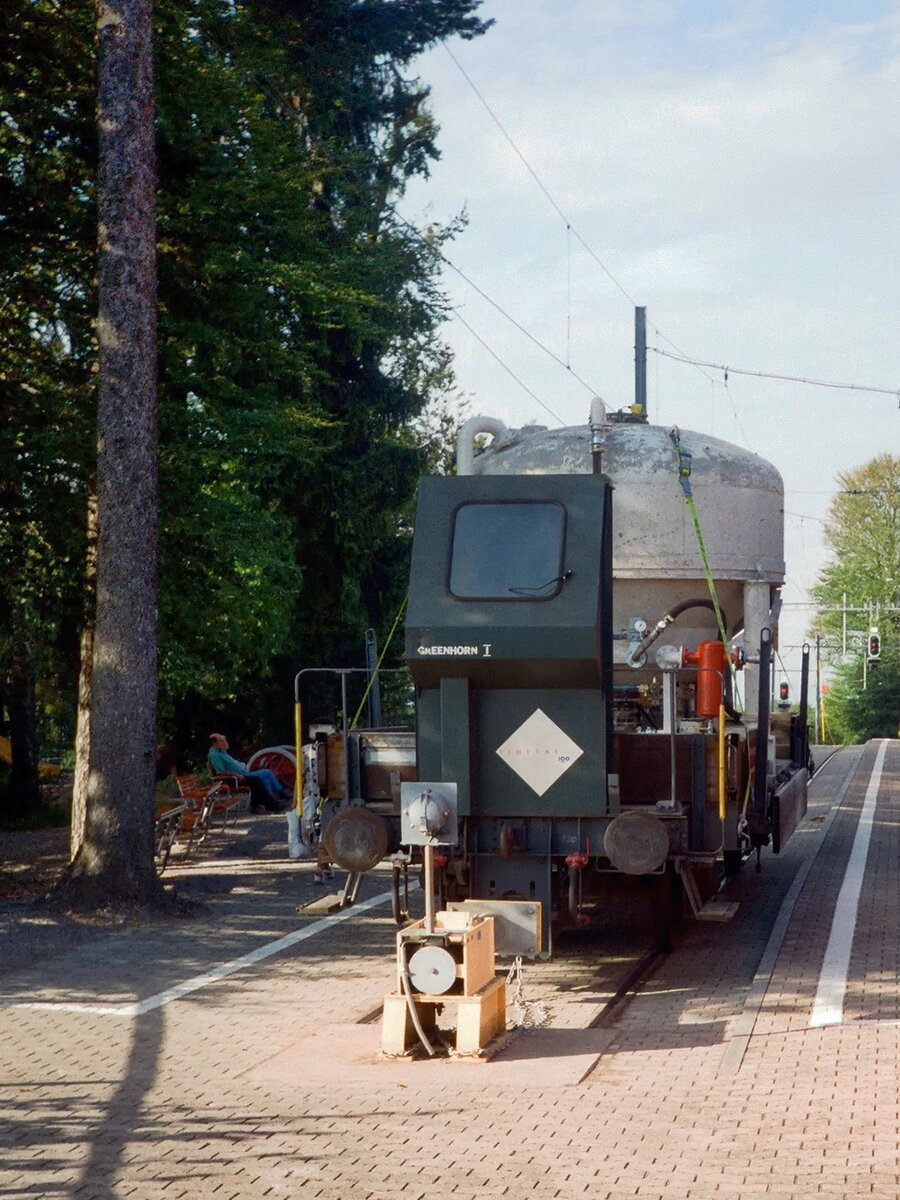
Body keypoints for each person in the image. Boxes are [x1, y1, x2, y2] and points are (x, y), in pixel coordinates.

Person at [207, 733, 292, 814]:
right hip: (232, 779)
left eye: (223, 740)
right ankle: (280, 794)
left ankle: (271, 803)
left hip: (242, 774)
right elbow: (221, 772)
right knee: (266, 773)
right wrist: (236, 775)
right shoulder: (215, 755)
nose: (224, 742)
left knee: (264, 778)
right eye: (221, 741)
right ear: (214, 743)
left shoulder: (221, 753)